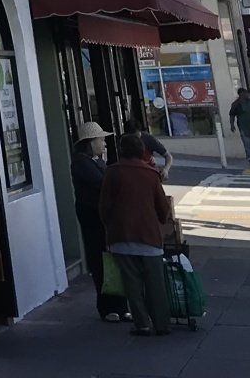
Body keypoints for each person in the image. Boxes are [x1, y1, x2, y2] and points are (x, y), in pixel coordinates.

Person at [100, 132, 175, 337]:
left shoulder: (112, 172)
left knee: (131, 282)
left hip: (121, 234)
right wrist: (160, 220)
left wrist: (110, 225)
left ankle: (142, 323)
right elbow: (162, 207)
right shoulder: (151, 174)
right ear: (142, 151)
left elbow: (104, 206)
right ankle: (161, 323)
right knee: (155, 282)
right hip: (149, 234)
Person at [71, 121, 117, 316]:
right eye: (101, 140)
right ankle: (107, 307)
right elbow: (104, 183)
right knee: (100, 261)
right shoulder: (82, 163)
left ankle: (118, 304)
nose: (104, 144)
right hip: (92, 217)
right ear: (90, 142)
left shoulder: (95, 161)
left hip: (101, 215)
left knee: (111, 260)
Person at [228, 88, 250, 166]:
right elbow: (232, 115)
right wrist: (232, 125)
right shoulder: (236, 104)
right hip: (243, 126)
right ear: (241, 94)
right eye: (245, 93)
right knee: (247, 143)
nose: (247, 95)